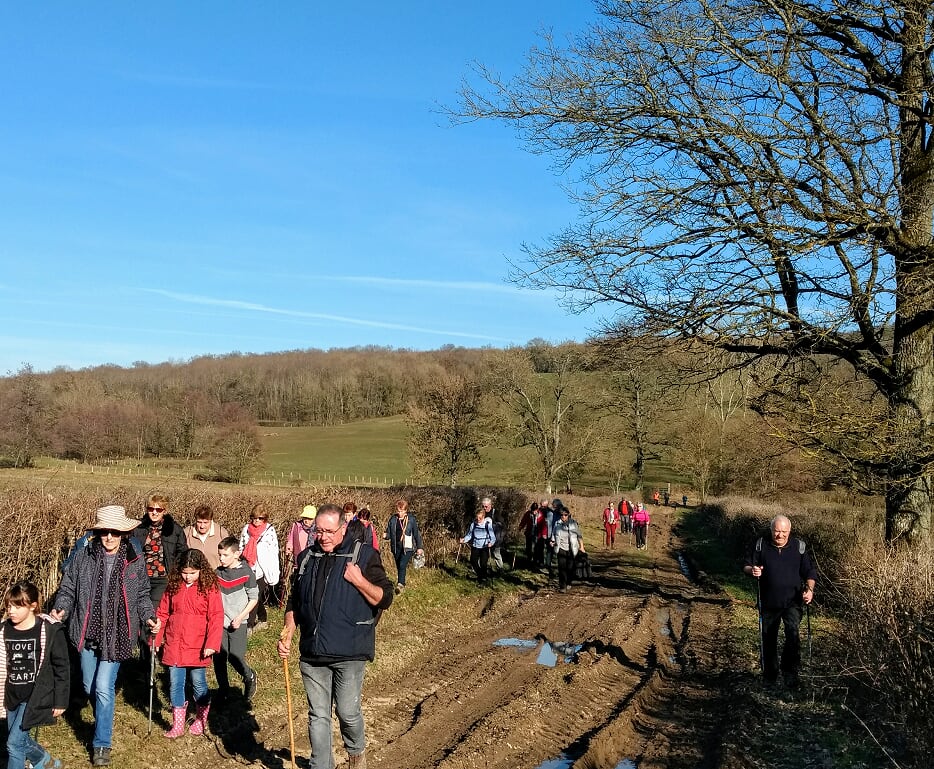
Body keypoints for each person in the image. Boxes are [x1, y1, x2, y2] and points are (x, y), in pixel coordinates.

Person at [277, 504, 394, 769]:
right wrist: (288, 632)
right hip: (312, 652)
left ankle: (356, 755)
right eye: (319, 531)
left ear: (343, 528)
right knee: (318, 715)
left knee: (347, 712)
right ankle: (322, 765)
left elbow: (385, 598)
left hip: (349, 652)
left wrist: (360, 581)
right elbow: (295, 600)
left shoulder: (364, 556)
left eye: (329, 531)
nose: (323, 537)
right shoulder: (307, 557)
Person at [52, 505, 159, 767]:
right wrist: (61, 608)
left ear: (123, 533)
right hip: (87, 632)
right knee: (89, 686)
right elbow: (68, 589)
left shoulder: (134, 559)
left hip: (118, 634)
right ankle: (103, 713)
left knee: (102, 688)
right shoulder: (83, 556)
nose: (109, 537)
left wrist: (148, 616)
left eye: (114, 532)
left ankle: (101, 744)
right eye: (104, 532)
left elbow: (142, 595)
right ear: (97, 532)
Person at [154, 549, 224, 738]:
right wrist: (157, 638)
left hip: (198, 645)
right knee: (175, 684)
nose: (188, 577)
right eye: (185, 572)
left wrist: (211, 643)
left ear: (201, 570)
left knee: (198, 684)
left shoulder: (209, 587)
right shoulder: (174, 586)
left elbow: (216, 617)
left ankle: (201, 719)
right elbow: (162, 613)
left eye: (192, 573)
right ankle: (177, 725)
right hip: (174, 644)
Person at [1, 580, 69, 769]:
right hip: (12, 694)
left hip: (37, 697)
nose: (11, 611)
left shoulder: (48, 630)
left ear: (32, 606)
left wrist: (60, 700)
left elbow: (61, 667)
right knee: (18, 740)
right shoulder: (4, 629)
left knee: (14, 745)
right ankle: (44, 761)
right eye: (8, 606)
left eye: (16, 606)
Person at [743, 515, 816, 689]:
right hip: (768, 601)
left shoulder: (799, 547)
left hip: (793, 601)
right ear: (771, 530)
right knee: (768, 639)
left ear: (789, 531)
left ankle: (790, 673)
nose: (780, 535)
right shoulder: (761, 545)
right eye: (777, 531)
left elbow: (810, 572)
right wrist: (752, 570)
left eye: (784, 532)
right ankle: (770, 676)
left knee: (793, 635)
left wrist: (810, 590)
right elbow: (746, 565)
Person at [214, 536, 259, 704]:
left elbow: (254, 598)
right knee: (219, 658)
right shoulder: (218, 572)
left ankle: (249, 676)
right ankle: (223, 690)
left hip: (239, 621)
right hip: (220, 622)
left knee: (235, 657)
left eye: (225, 555)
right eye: (220, 555)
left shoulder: (246, 573)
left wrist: (240, 617)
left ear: (236, 554)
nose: (221, 558)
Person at [133, 494, 187, 608]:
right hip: (141, 577)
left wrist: (174, 573)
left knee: (153, 609)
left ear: (165, 511)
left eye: (158, 509)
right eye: (151, 509)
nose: (154, 512)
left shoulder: (174, 529)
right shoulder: (138, 528)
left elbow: (182, 553)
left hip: (162, 578)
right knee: (139, 608)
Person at [239, 503, 280, 632]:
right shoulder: (246, 529)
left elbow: (273, 551)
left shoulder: (269, 530)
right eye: (254, 518)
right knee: (252, 595)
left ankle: (249, 626)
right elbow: (241, 546)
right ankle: (262, 618)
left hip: (262, 569)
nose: (257, 521)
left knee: (255, 595)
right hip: (248, 566)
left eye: (260, 518)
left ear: (265, 518)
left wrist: (272, 570)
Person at [384, 499, 424, 594]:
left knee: (402, 564)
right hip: (396, 547)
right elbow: (389, 533)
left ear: (406, 511)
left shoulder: (411, 520)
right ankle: (402, 582)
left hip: (408, 547)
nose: (399, 513)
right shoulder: (393, 519)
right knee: (399, 566)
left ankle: (400, 585)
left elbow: (416, 533)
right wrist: (385, 536)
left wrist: (419, 547)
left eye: (401, 511)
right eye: (398, 511)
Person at [184, 505, 230, 570]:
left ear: (211, 520)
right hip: (193, 576)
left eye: (205, 522)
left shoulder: (221, 533)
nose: (202, 526)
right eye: (199, 522)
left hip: (216, 575)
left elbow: (228, 557)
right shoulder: (187, 533)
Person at [550, 507, 585, 592]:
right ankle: (562, 586)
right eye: (561, 515)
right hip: (560, 547)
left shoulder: (573, 524)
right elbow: (554, 534)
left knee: (570, 568)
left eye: (565, 515)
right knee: (561, 568)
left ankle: (569, 581)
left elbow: (579, 536)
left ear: (568, 515)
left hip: (571, 548)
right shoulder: (557, 524)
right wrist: (552, 541)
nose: (563, 516)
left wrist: (582, 547)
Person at [461, 508, 496, 586]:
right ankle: (481, 576)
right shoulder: (473, 524)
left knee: (483, 564)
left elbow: (493, 537)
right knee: (473, 561)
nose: (478, 520)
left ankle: (483, 580)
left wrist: (491, 542)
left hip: (485, 546)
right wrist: (464, 540)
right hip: (475, 545)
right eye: (477, 518)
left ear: (483, 517)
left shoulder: (487, 525)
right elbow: (469, 535)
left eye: (480, 518)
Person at [285, 505, 318, 574]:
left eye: (309, 519)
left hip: (313, 560)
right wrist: (289, 548)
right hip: (298, 559)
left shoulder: (318, 529)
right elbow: (290, 539)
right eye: (305, 518)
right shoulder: (296, 526)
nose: (306, 521)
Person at [481, 498, 505, 571]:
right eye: (483, 506)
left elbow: (502, 524)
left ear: (490, 505)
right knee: (484, 554)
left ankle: (500, 569)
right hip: (484, 538)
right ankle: (483, 569)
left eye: (486, 506)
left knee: (496, 554)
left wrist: (493, 524)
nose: (484, 508)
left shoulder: (496, 513)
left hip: (495, 538)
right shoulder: (481, 513)